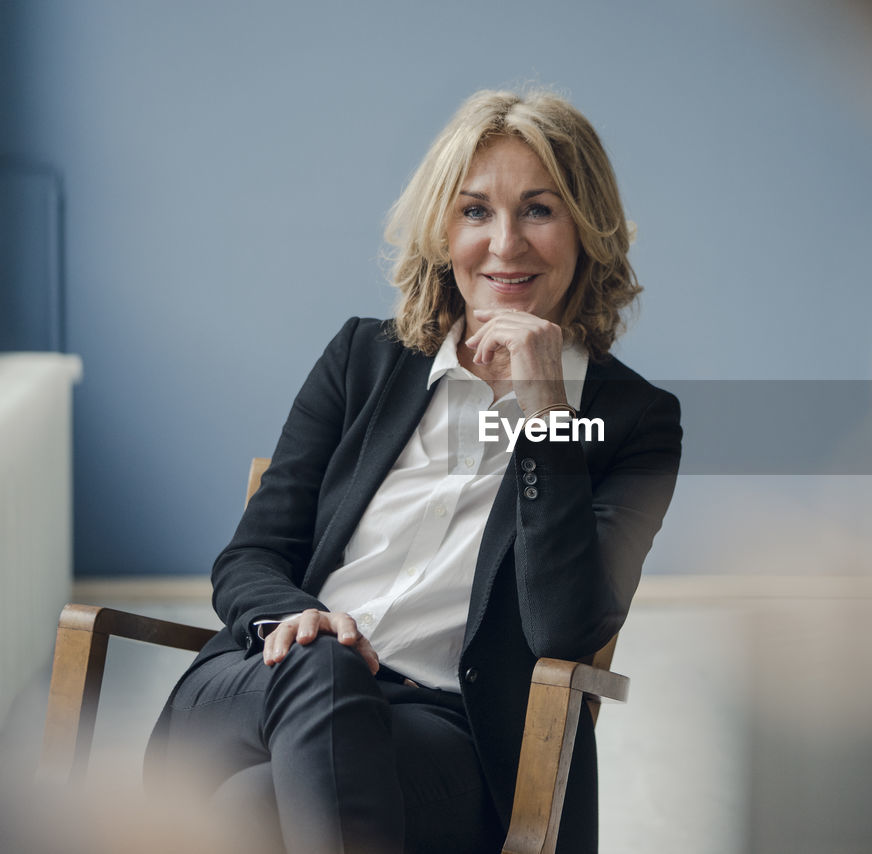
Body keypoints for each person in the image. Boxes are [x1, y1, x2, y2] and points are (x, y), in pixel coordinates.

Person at [145, 89, 682, 854]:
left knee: (255, 807)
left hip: (443, 733)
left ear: (586, 229)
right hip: (262, 678)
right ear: (441, 229)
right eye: (474, 212)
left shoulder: (635, 421)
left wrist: (544, 417)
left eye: (539, 209)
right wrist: (294, 620)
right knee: (322, 667)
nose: (505, 244)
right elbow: (251, 557)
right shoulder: (362, 357)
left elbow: (564, 625)